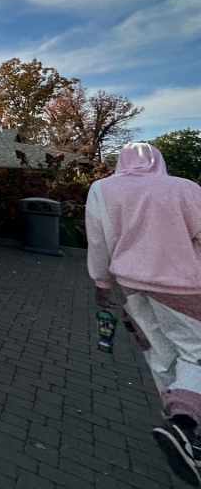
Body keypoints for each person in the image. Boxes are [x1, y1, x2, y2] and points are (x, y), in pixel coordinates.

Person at [87, 142, 201, 484]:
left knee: (160, 351)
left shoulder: (102, 190)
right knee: (195, 352)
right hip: (184, 286)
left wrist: (101, 282)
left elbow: (98, 240)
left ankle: (188, 434)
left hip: (131, 285)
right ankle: (185, 423)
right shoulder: (186, 189)